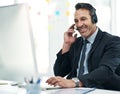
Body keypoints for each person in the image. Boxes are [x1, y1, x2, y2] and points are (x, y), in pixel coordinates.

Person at [46, 3, 120, 90]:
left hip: (101, 90)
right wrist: (67, 45)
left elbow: (105, 71)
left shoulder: (113, 41)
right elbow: (59, 72)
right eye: (76, 21)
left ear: (94, 19)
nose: (79, 24)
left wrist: (75, 82)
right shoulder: (76, 43)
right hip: (76, 91)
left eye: (83, 19)